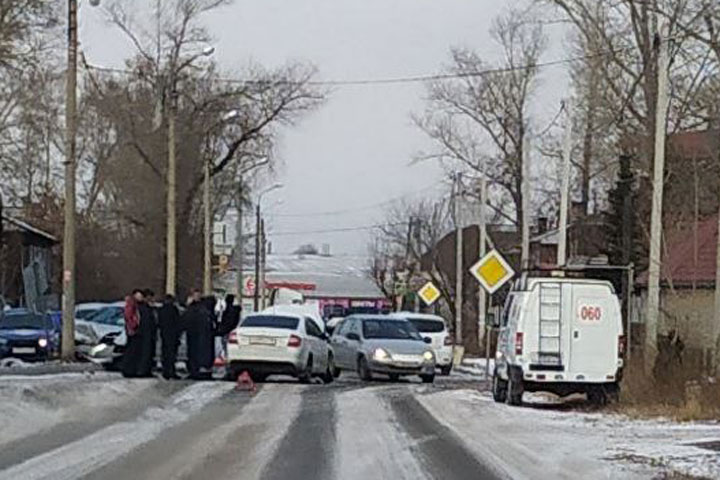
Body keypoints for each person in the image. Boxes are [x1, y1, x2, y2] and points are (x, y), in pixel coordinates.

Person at [183, 294, 216, 380]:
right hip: (202, 337)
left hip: (193, 336)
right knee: (203, 355)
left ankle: (195, 371)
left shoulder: (194, 310)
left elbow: (185, 321)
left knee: (194, 354)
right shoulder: (205, 311)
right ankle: (203, 371)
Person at [122, 289, 144, 378]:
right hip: (133, 330)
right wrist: (133, 326)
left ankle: (131, 369)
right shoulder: (131, 304)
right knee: (131, 351)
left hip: (133, 330)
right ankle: (129, 370)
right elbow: (129, 316)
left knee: (133, 351)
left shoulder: (135, 305)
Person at [158, 294, 181, 380]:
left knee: (165, 354)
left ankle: (166, 372)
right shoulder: (174, 310)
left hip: (164, 335)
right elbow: (178, 322)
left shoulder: (161, 310)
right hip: (173, 335)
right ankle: (171, 371)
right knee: (172, 355)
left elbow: (159, 323)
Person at [136, 289, 158, 377]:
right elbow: (145, 322)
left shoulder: (150, 309)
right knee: (145, 353)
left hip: (150, 334)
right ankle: (143, 370)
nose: (151, 299)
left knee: (149, 353)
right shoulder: (144, 308)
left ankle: (147, 370)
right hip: (145, 334)